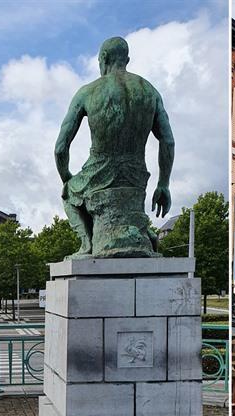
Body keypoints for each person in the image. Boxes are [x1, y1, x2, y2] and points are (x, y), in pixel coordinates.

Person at [54, 36, 174, 258]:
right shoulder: (149, 91)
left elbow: (61, 148)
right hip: (136, 175)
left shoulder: (87, 92)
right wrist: (163, 184)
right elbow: (167, 141)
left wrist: (66, 179)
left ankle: (87, 245)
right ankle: (143, 233)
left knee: (68, 192)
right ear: (127, 59)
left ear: (103, 58)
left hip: (99, 171)